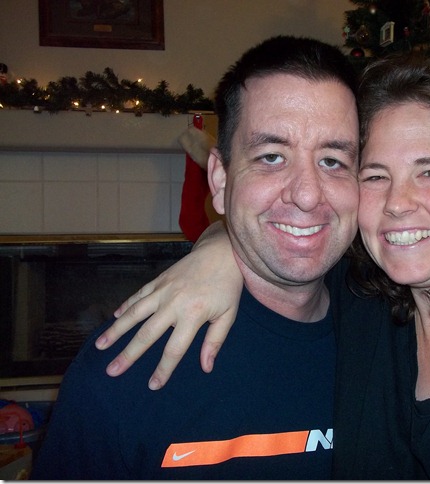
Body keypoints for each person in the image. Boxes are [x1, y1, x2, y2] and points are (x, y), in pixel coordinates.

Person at [96, 55, 430, 479]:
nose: (398, 203)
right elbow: (272, 232)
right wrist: (216, 251)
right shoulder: (360, 302)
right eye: (375, 175)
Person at [30, 35, 362, 479]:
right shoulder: (124, 368)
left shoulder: (391, 332)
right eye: (271, 156)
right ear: (221, 180)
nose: (306, 195)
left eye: (333, 161)